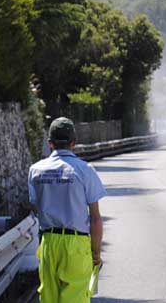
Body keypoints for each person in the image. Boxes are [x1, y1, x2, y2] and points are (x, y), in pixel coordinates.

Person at [28, 117, 105, 302]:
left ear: (50, 143)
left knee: (48, 297)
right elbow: (95, 219)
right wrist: (95, 252)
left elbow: (35, 205)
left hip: (48, 242)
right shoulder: (85, 170)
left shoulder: (35, 170)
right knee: (75, 297)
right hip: (76, 244)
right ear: (74, 143)